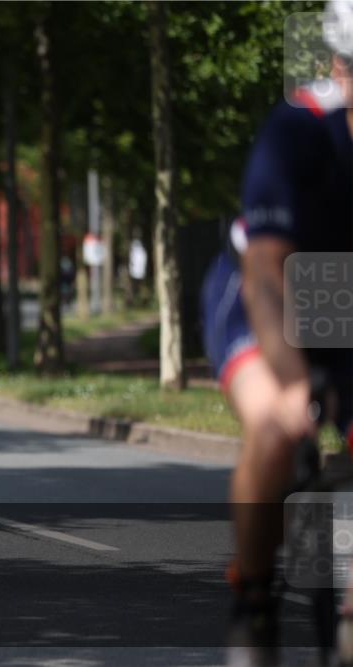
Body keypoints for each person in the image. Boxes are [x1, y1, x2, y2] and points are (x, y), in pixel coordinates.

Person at [200, 4, 352, 663]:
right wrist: (292, 380)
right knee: (274, 424)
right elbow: (266, 273)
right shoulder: (298, 129)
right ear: (340, 68)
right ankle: (254, 595)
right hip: (259, 286)